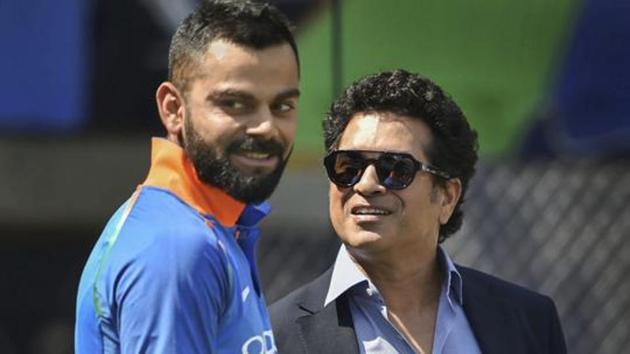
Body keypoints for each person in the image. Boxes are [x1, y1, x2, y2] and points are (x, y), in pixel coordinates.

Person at [270, 70, 567, 354]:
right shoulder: (274, 336)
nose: (367, 183)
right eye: (348, 167)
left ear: (447, 197)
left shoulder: (528, 321)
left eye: (396, 169)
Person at [75, 1, 300, 352]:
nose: (266, 127)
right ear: (173, 110)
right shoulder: (178, 248)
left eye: (282, 106)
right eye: (235, 104)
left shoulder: (207, 229)